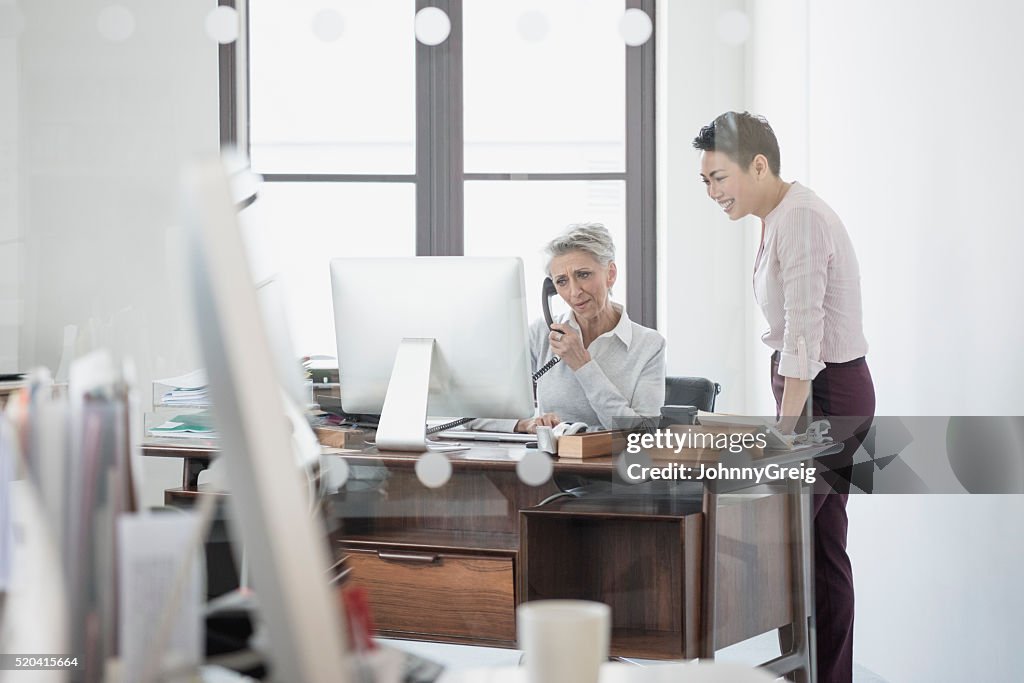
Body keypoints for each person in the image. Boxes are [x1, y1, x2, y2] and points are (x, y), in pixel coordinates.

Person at [692, 111, 875, 683]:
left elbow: (803, 340)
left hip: (825, 393)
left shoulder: (798, 219)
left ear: (759, 164)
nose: (713, 192)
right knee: (817, 551)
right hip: (810, 391)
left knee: (783, 545)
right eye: (705, 183)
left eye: (719, 177)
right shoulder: (777, 215)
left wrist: (785, 434)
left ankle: (807, 673)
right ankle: (821, 676)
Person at [473, 223, 666, 434]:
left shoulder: (649, 345)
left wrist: (583, 365)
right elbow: (471, 412)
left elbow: (643, 432)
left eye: (583, 275)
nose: (574, 292)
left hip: (612, 463)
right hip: (550, 462)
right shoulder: (541, 333)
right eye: (562, 281)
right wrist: (524, 424)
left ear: (610, 274)